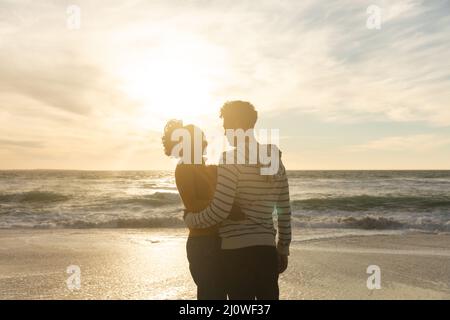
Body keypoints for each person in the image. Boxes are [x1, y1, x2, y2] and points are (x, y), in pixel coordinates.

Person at [184, 101, 292, 300]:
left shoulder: (230, 159)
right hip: (267, 251)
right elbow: (284, 208)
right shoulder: (274, 159)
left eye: (226, 126)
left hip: (236, 254)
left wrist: (192, 220)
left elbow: (220, 210)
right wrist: (283, 248)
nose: (225, 132)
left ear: (237, 124)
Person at [162, 119, 243, 300]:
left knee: (221, 295)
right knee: (211, 296)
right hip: (202, 242)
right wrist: (226, 208)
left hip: (219, 239)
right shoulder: (184, 168)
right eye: (201, 139)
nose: (205, 142)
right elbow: (193, 204)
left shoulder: (208, 168)